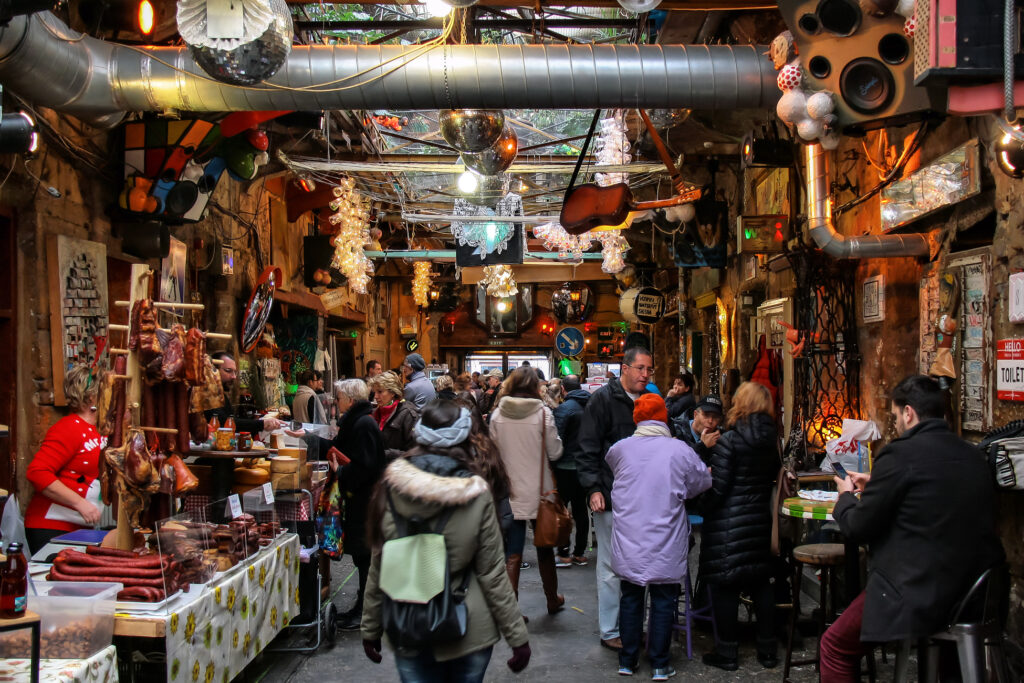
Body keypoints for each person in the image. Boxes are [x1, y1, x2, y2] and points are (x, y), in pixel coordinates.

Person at [818, 375, 1005, 682]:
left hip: (916, 591)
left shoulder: (901, 454)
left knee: (835, 646)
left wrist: (846, 498)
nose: (897, 424)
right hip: (975, 593)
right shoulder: (974, 455)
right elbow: (933, 501)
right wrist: (878, 485)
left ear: (908, 413)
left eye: (895, 416)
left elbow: (858, 527)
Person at [361, 400, 531, 681]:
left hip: (408, 622)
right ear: (465, 436)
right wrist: (517, 636)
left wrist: (370, 628)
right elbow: (491, 572)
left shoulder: (390, 489)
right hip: (468, 625)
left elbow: (381, 562)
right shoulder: (478, 494)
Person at [607, 394, 712, 679]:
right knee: (664, 598)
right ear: (664, 417)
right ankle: (659, 663)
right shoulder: (679, 450)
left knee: (631, 597)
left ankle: (627, 660)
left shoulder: (620, 449)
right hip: (665, 537)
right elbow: (700, 482)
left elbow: (614, 468)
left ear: (636, 418)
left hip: (629, 537)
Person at [700, 381, 781, 671]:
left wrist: (701, 506)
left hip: (728, 525)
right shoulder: (771, 440)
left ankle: (728, 653)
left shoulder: (731, 440)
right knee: (761, 584)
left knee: (726, 586)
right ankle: (768, 651)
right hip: (759, 519)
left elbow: (718, 488)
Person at [577, 346, 652, 651]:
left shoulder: (651, 402)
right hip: (610, 495)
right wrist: (594, 488)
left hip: (644, 499)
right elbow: (587, 448)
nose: (645, 375)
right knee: (609, 566)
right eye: (641, 369)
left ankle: (636, 626)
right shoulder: (602, 401)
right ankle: (610, 630)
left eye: (650, 369)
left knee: (641, 565)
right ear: (625, 368)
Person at [300, 379, 384, 630]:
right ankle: (365, 608)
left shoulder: (363, 424)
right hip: (359, 501)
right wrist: (306, 438)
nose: (336, 402)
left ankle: (367, 611)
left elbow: (366, 468)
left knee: (365, 556)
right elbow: (339, 449)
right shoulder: (357, 422)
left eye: (338, 397)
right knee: (362, 557)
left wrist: (342, 471)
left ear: (350, 399)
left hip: (365, 502)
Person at [488, 366, 566, 616]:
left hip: (509, 492)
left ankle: (511, 611)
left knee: (513, 551)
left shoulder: (498, 415)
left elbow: (492, 454)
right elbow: (555, 452)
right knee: (544, 546)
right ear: (534, 387)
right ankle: (552, 599)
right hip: (540, 492)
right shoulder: (543, 414)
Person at [25, 365, 106, 554]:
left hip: (79, 526)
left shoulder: (99, 429)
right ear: (92, 397)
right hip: (52, 526)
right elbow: (37, 472)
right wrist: (80, 503)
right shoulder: (68, 428)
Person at [551, 375, 590, 568]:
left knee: (562, 510)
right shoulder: (591, 406)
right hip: (584, 466)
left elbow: (556, 438)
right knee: (581, 509)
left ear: (564, 390)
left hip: (565, 466)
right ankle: (580, 553)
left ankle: (564, 552)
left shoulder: (564, 409)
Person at [204, 352, 284, 434]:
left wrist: (261, 423)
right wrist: (262, 424)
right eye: (228, 371)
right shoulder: (206, 394)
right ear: (213, 371)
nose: (234, 376)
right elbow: (224, 422)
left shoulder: (220, 394)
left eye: (235, 372)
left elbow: (231, 422)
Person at [368, 371, 420, 461]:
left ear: (393, 392)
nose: (375, 396)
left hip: (397, 470)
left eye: (380, 392)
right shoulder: (376, 412)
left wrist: (387, 454)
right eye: (374, 392)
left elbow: (415, 453)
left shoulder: (408, 414)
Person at [672, 395, 724, 463]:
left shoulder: (721, 437)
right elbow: (678, 463)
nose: (710, 421)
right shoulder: (676, 431)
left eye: (715, 417)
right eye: (706, 415)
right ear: (695, 415)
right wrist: (702, 446)